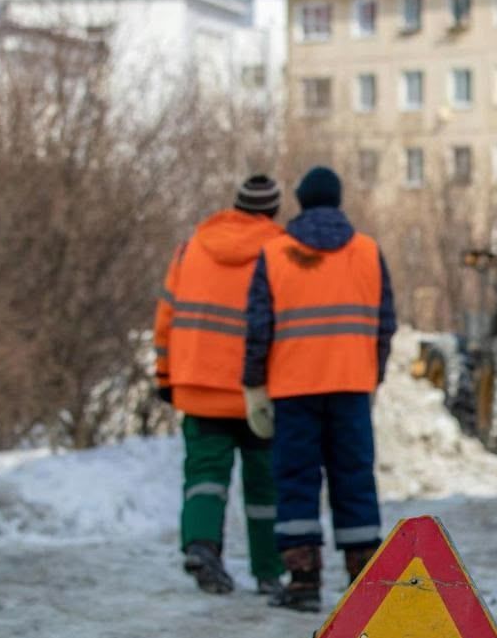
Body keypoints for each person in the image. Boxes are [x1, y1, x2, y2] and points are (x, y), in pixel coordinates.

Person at [242, 166, 396, 613]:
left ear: (302, 200)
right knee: (355, 479)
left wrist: (254, 384)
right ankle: (363, 581)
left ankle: (303, 581)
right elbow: (385, 324)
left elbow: (258, 328)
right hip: (351, 384)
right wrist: (374, 375)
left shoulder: (275, 254)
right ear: (339, 199)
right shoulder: (367, 251)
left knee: (295, 481)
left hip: (294, 388)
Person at [153, 175, 286, 596]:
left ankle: (201, 546)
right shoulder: (281, 251)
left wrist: (164, 374)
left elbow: (166, 316)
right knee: (265, 483)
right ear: (273, 211)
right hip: (258, 392)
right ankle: (269, 571)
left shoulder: (191, 248)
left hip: (197, 383)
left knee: (204, 475)